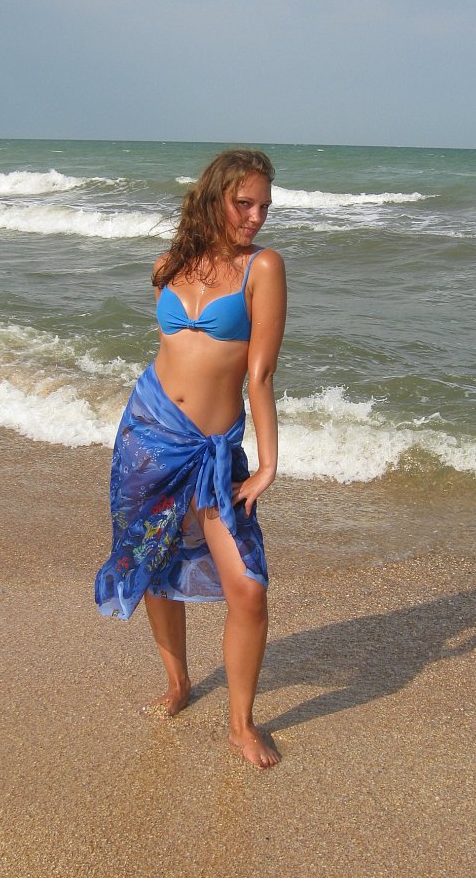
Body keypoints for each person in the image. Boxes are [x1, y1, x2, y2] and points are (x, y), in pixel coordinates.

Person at [95, 148, 287, 768]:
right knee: (153, 559)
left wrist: (267, 464)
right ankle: (178, 683)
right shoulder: (169, 266)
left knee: (248, 589)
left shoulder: (263, 267)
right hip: (147, 433)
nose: (256, 217)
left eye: (264, 206)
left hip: (211, 451)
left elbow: (260, 376)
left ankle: (240, 724)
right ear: (214, 198)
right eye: (244, 203)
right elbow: (171, 354)